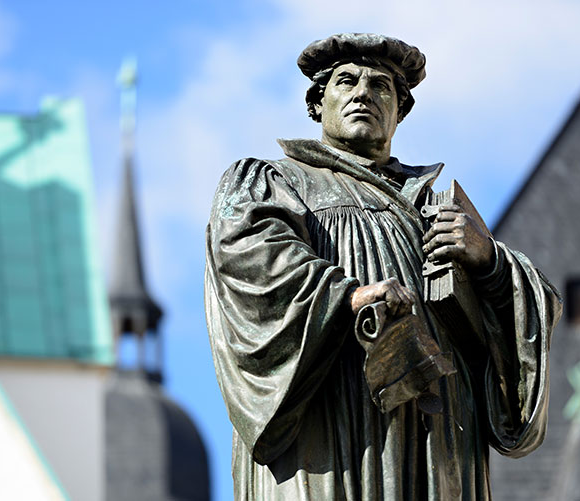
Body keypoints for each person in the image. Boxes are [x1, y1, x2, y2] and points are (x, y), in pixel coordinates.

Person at [204, 33, 561, 500]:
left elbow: (535, 310)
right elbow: (247, 255)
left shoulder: (438, 208)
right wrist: (347, 296)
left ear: (400, 110)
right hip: (333, 424)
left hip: (440, 437)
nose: (362, 94)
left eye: (380, 87)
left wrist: (490, 260)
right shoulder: (275, 182)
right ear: (317, 103)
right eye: (345, 81)